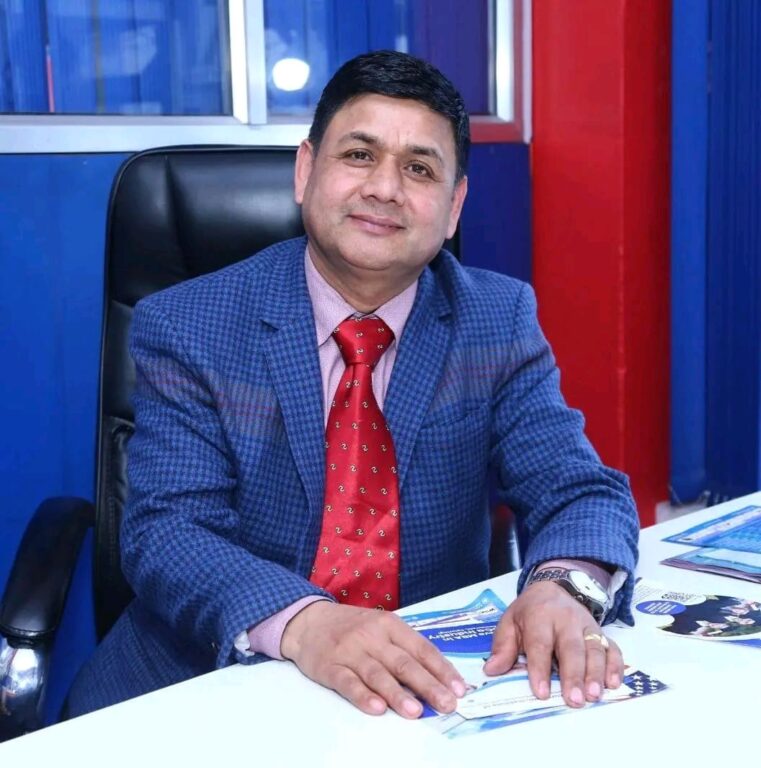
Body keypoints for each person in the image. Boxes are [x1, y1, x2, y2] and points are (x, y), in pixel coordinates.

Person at [67, 50, 638, 720]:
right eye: (359, 155)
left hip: (420, 685)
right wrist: (306, 622)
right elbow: (169, 531)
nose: (385, 188)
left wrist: (563, 587)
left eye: (419, 168)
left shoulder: (495, 318)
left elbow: (577, 488)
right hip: (206, 677)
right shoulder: (190, 323)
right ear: (305, 171)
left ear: (453, 206)